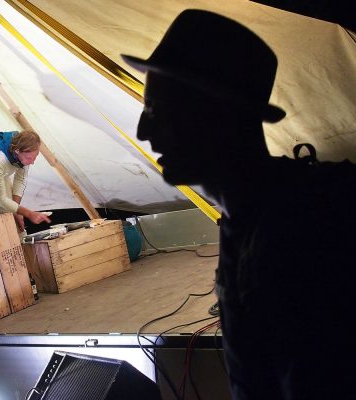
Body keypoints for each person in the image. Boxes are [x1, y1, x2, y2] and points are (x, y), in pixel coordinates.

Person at [122, 9, 356, 400]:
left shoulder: (300, 235)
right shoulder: (249, 216)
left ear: (217, 115)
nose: (143, 132)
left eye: (157, 112)